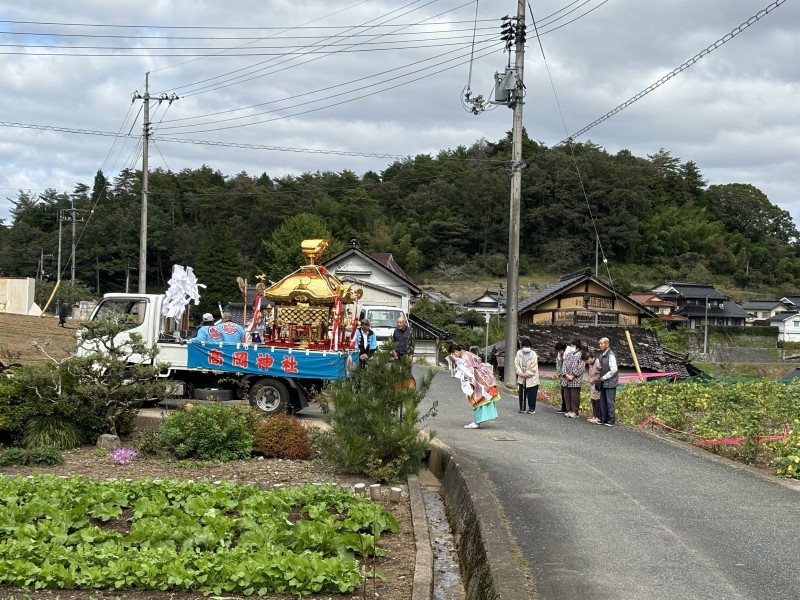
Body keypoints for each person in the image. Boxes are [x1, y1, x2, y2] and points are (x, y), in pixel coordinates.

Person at [446, 343, 500, 429]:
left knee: (477, 399)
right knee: (480, 399)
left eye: (452, 354)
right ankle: (477, 421)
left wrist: (468, 383)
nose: (452, 356)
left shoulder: (464, 356)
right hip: (481, 377)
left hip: (478, 378)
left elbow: (470, 370)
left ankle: (476, 422)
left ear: (456, 351)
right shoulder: (465, 354)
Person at [597, 337, 619, 427]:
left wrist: (604, 378)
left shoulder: (611, 355)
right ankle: (604, 418)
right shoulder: (602, 354)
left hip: (610, 382)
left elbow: (614, 369)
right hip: (604, 382)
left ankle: (611, 420)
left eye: (601, 343)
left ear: (607, 344)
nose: (600, 345)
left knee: (610, 402)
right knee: (603, 401)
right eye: (599, 344)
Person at [514, 337, 539, 414]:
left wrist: (527, 373)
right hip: (521, 376)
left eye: (527, 346)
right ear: (522, 346)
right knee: (521, 393)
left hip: (532, 377)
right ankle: (522, 407)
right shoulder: (519, 353)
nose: (526, 348)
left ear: (530, 347)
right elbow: (516, 364)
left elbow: (533, 367)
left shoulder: (533, 354)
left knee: (532, 393)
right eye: (524, 346)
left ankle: (531, 408)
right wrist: (520, 373)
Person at [561, 339, 585, 418]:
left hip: (575, 379)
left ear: (577, 347)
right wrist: (566, 374)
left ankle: (575, 411)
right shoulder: (568, 354)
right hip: (566, 379)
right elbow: (564, 365)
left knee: (574, 396)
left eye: (573, 346)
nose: (571, 347)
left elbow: (580, 368)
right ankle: (568, 410)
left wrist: (573, 375)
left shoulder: (581, 355)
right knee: (567, 395)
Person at [584, 351, 603, 424]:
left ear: (590, 358)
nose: (586, 362)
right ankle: (595, 416)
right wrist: (589, 379)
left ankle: (598, 417)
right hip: (592, 384)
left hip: (597, 384)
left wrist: (594, 379)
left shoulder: (597, 362)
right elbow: (590, 373)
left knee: (597, 400)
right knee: (593, 400)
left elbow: (600, 374)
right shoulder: (590, 364)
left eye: (586, 360)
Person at [554, 342, 568, 413]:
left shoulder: (568, 353)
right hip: (562, 376)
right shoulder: (559, 355)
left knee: (567, 393)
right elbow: (558, 365)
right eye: (558, 351)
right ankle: (564, 407)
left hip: (568, 376)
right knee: (563, 392)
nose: (559, 352)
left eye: (560, 350)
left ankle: (568, 408)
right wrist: (559, 375)